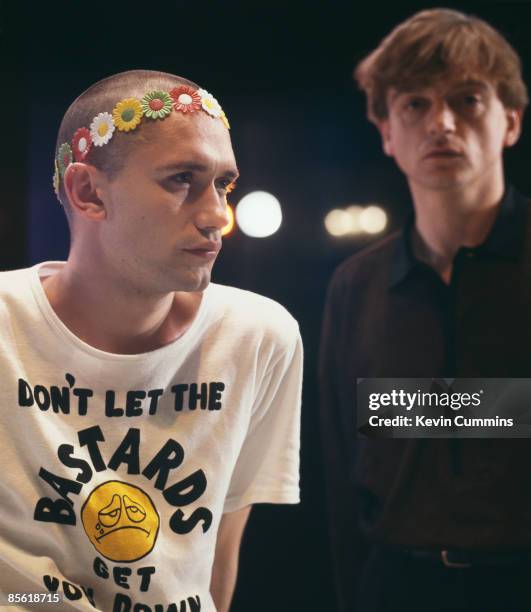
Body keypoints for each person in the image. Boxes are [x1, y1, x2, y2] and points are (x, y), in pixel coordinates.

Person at [319, 9, 531, 612]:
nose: (441, 123)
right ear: (387, 132)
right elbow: (342, 471)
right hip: (398, 586)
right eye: (415, 104)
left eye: (467, 99)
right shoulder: (355, 283)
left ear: (511, 120)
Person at [0, 70, 303, 612]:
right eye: (182, 179)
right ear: (88, 191)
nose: (217, 216)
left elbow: (215, 558)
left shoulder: (258, 336)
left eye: (223, 184)